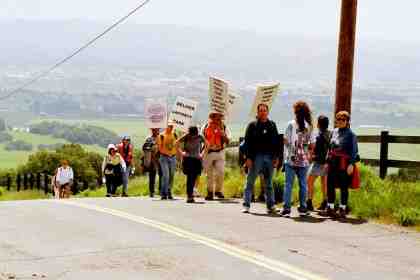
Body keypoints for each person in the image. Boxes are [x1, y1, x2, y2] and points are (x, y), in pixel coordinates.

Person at [242, 103, 280, 214]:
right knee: (250, 181)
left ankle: (271, 205)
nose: (263, 112)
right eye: (261, 111)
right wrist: (248, 158)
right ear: (257, 112)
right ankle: (246, 205)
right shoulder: (252, 125)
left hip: (269, 157)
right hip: (256, 157)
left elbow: (276, 143)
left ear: (268, 112)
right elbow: (247, 143)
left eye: (265, 110)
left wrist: (276, 157)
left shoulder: (272, 125)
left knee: (268, 184)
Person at [282, 101, 315, 217]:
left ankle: (286, 209)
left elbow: (285, 140)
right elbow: (312, 144)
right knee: (303, 184)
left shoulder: (291, 124)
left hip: (291, 158)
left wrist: (289, 149)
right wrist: (309, 154)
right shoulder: (309, 126)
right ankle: (303, 207)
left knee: (288, 184)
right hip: (304, 159)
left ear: (295, 112)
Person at [324, 111, 359, 219]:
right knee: (330, 185)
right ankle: (330, 208)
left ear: (347, 121)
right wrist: (326, 161)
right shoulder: (333, 132)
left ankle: (342, 209)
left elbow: (354, 151)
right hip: (333, 161)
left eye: (342, 119)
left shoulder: (351, 135)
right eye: (337, 119)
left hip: (344, 163)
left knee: (344, 186)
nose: (339, 121)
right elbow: (329, 148)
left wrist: (351, 164)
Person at [202, 112, 231, 200]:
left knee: (221, 172)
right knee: (209, 174)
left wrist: (223, 135)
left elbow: (228, 141)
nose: (218, 119)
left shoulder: (225, 127)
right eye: (216, 117)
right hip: (208, 152)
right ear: (212, 117)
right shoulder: (205, 126)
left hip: (220, 152)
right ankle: (210, 192)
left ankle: (218, 191)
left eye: (220, 118)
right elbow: (202, 138)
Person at [307, 115, 331, 211]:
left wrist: (312, 157)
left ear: (318, 124)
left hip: (318, 162)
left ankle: (309, 202)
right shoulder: (330, 134)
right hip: (327, 162)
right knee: (324, 183)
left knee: (309, 181)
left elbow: (315, 148)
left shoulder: (319, 135)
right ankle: (325, 202)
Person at [177, 126, 205, 203]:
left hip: (197, 159)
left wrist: (202, 154)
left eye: (194, 135)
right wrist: (182, 153)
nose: (193, 136)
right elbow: (176, 143)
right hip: (188, 159)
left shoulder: (200, 137)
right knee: (190, 178)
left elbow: (207, 144)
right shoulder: (186, 136)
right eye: (191, 135)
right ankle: (189, 196)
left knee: (195, 177)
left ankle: (190, 195)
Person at [157, 121, 178, 200]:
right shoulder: (161, 135)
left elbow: (176, 146)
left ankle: (169, 191)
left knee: (171, 175)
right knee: (166, 175)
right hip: (164, 157)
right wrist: (167, 153)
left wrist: (177, 155)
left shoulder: (175, 135)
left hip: (173, 157)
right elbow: (160, 148)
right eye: (170, 126)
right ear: (166, 126)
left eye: (172, 126)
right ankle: (164, 193)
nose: (171, 127)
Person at [142, 128, 162, 197]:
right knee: (152, 176)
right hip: (152, 158)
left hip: (160, 157)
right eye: (154, 130)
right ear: (152, 130)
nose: (155, 131)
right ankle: (151, 192)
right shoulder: (148, 138)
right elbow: (145, 148)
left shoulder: (161, 137)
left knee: (161, 174)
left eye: (157, 130)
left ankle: (160, 190)